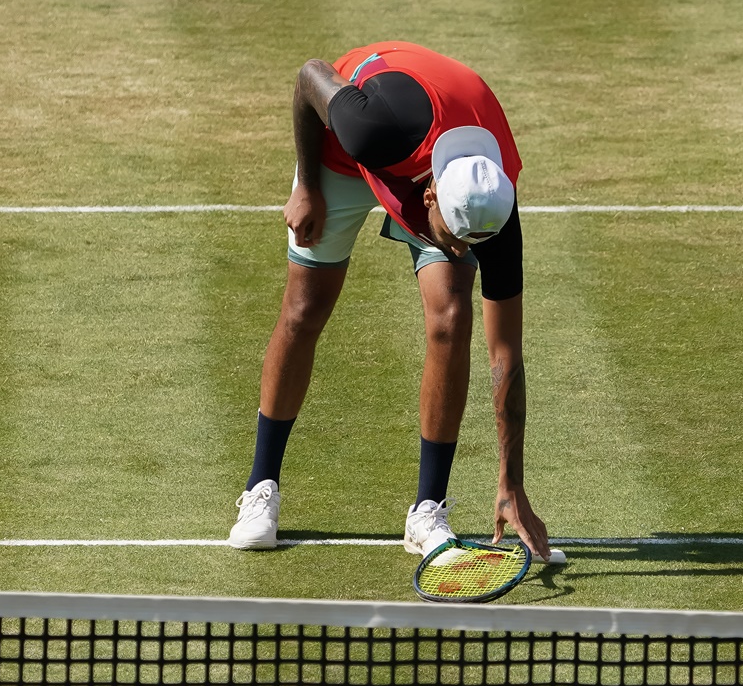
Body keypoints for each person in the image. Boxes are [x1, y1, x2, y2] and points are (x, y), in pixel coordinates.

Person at [227, 41, 551, 561]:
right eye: (456, 238)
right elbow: (310, 76)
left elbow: (504, 354)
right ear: (429, 199)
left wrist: (511, 482)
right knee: (305, 309)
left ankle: (428, 511)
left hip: (425, 153)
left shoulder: (492, 203)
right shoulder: (370, 128)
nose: (464, 252)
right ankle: (260, 489)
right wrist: (307, 184)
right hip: (344, 155)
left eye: (475, 243)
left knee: (453, 316)